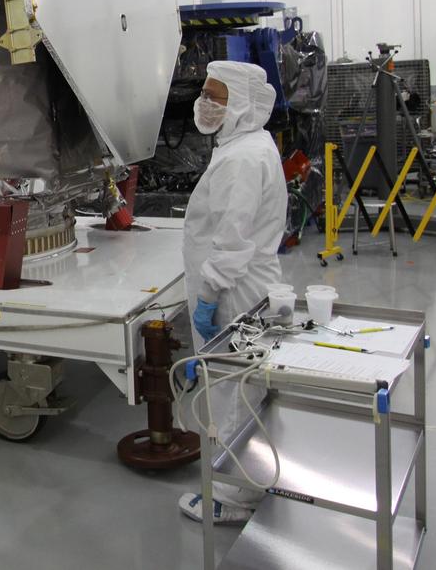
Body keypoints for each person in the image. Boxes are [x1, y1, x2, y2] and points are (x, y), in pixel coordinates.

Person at [178, 60, 285, 526]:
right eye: (204, 93)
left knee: (230, 392)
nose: (205, 103)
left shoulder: (242, 159)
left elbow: (231, 241)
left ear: (240, 103)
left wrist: (208, 298)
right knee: (244, 388)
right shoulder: (248, 144)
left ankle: (233, 495)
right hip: (248, 287)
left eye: (216, 96)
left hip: (234, 294)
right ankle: (252, 479)